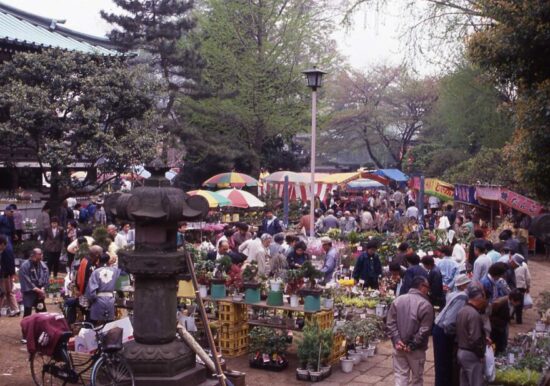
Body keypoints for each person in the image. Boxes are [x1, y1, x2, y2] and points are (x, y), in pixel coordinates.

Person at [386, 276, 434, 386]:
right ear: (422, 287)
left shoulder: (398, 300)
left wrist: (397, 340)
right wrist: (412, 344)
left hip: (399, 346)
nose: (428, 290)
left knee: (400, 377)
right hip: (416, 350)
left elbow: (390, 323)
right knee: (417, 379)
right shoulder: (426, 305)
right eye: (427, 287)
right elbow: (425, 329)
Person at [432, 274, 471, 386]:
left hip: (440, 329)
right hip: (443, 331)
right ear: (464, 285)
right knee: (443, 363)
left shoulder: (453, 294)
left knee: (443, 363)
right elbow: (449, 322)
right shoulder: (462, 297)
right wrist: (454, 336)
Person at [456, 286, 488, 386]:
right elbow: (475, 338)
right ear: (479, 299)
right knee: (476, 382)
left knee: (464, 382)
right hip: (471, 353)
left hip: (461, 351)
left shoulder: (462, 311)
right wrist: (481, 355)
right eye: (483, 299)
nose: (484, 302)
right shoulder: (474, 314)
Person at [85, 253, 121, 324]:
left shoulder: (95, 272)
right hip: (111, 300)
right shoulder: (115, 271)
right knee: (108, 326)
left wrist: (91, 301)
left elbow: (91, 292)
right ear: (108, 261)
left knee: (96, 326)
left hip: (98, 301)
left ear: (99, 261)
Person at [490, 290, 523, 354]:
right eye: (517, 302)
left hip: (503, 325)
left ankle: (500, 353)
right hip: (495, 327)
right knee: (494, 343)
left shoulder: (513, 303)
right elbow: (490, 314)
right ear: (512, 299)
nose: (518, 304)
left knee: (502, 343)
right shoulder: (499, 303)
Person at [19, 248, 49, 317]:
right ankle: (26, 327)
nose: (41, 256)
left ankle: (42, 327)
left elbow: (46, 278)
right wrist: (37, 289)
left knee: (42, 312)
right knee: (27, 312)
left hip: (39, 293)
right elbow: (25, 279)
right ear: (33, 255)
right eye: (39, 254)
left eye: (41, 254)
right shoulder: (24, 266)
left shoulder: (43, 265)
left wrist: (43, 289)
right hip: (29, 292)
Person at [0, 235, 19, 316]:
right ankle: (15, 309)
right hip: (5, 275)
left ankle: (15, 309)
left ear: (2, 244)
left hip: (5, 275)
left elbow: (9, 265)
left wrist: (11, 275)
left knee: (3, 292)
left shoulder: (6, 251)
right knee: (8, 292)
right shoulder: (6, 250)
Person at [511, 254, 530, 324]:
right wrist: (528, 286)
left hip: (514, 286)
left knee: (512, 301)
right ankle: (519, 320)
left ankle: (511, 316)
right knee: (519, 304)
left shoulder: (511, 265)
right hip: (521, 287)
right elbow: (528, 277)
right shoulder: (524, 265)